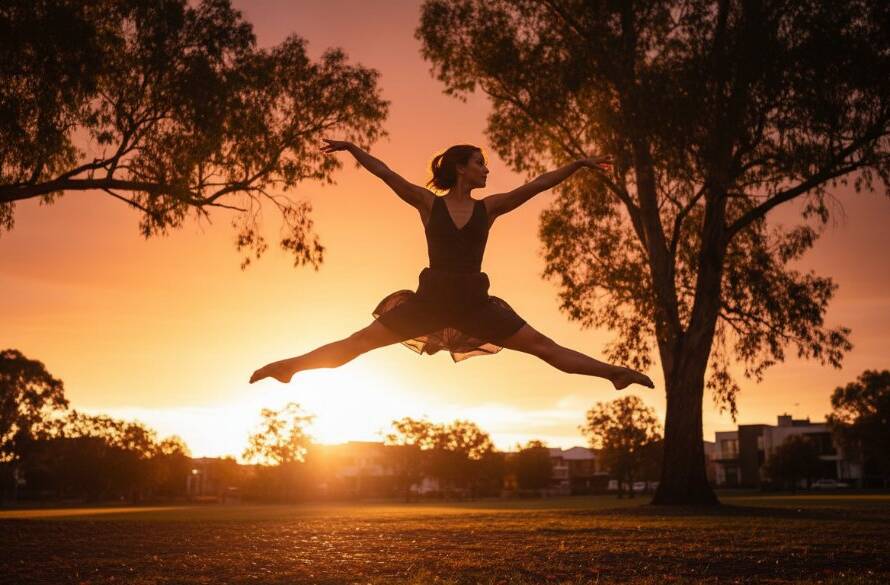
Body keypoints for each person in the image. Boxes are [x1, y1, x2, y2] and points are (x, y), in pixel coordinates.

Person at [249, 139, 654, 390]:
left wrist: (578, 165)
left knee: (543, 348)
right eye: (480, 163)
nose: (487, 169)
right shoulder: (429, 204)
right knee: (358, 343)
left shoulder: (490, 208)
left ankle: (614, 373)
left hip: (476, 305)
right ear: (461, 168)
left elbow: (538, 183)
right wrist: (355, 150)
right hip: (430, 302)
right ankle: (290, 367)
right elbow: (387, 175)